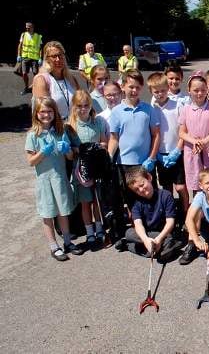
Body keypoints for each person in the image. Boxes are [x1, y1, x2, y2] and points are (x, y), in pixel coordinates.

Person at [25, 97, 83, 261]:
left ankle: (67, 242)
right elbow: (30, 161)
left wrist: (67, 150)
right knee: (48, 213)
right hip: (44, 181)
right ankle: (53, 246)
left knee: (63, 212)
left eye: (49, 111)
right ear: (36, 114)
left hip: (60, 179)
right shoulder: (33, 135)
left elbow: (70, 157)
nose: (46, 114)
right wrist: (43, 152)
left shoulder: (60, 131)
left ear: (55, 113)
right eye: (42, 111)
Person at [107, 69, 161, 203]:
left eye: (137, 87)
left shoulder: (148, 109)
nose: (134, 90)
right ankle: (135, 223)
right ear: (123, 86)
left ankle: (152, 222)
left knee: (148, 194)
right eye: (131, 87)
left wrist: (152, 158)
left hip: (144, 162)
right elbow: (114, 139)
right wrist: (108, 157)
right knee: (130, 197)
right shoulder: (116, 112)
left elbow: (156, 135)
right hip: (125, 163)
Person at [115, 167, 183, 261]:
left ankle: (130, 245)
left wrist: (158, 239)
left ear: (149, 177)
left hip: (163, 233)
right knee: (129, 233)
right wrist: (146, 240)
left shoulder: (165, 195)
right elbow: (138, 224)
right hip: (148, 233)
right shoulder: (136, 203)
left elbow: (170, 222)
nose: (141, 190)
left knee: (169, 238)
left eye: (142, 185)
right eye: (136, 190)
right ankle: (158, 247)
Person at [67, 90, 108, 249]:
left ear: (91, 105)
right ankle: (89, 231)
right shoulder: (71, 126)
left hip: (97, 166)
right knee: (86, 202)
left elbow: (104, 142)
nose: (83, 109)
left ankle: (99, 228)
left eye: (86, 105)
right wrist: (79, 150)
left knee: (97, 200)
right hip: (81, 169)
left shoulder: (98, 122)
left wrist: (98, 147)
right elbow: (70, 153)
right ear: (74, 107)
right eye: (79, 106)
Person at [147, 72, 189, 215]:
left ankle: (186, 211)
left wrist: (178, 149)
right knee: (166, 187)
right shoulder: (152, 109)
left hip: (176, 152)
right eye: (156, 91)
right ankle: (171, 213)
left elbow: (184, 129)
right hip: (161, 154)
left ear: (168, 88)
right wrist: (156, 154)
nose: (160, 94)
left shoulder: (177, 105)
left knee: (181, 187)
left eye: (163, 90)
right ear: (151, 92)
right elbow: (153, 133)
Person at [178, 71, 209, 194]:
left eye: (203, 90)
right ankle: (199, 211)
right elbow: (182, 133)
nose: (199, 93)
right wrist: (195, 141)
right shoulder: (185, 109)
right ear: (189, 90)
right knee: (196, 184)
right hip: (192, 150)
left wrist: (204, 141)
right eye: (196, 90)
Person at [32, 41, 80, 121]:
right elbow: (44, 113)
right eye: (54, 56)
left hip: (74, 127)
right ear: (47, 59)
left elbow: (81, 103)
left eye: (60, 55)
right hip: (55, 129)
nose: (58, 59)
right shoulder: (42, 80)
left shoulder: (72, 79)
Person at [17, 22, 42, 95]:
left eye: (29, 27)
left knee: (35, 74)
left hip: (35, 58)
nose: (27, 28)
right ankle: (26, 87)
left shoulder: (38, 36)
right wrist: (18, 55)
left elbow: (40, 48)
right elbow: (20, 45)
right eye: (26, 27)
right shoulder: (23, 35)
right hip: (25, 57)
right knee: (24, 73)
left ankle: (35, 87)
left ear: (32, 27)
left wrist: (40, 58)